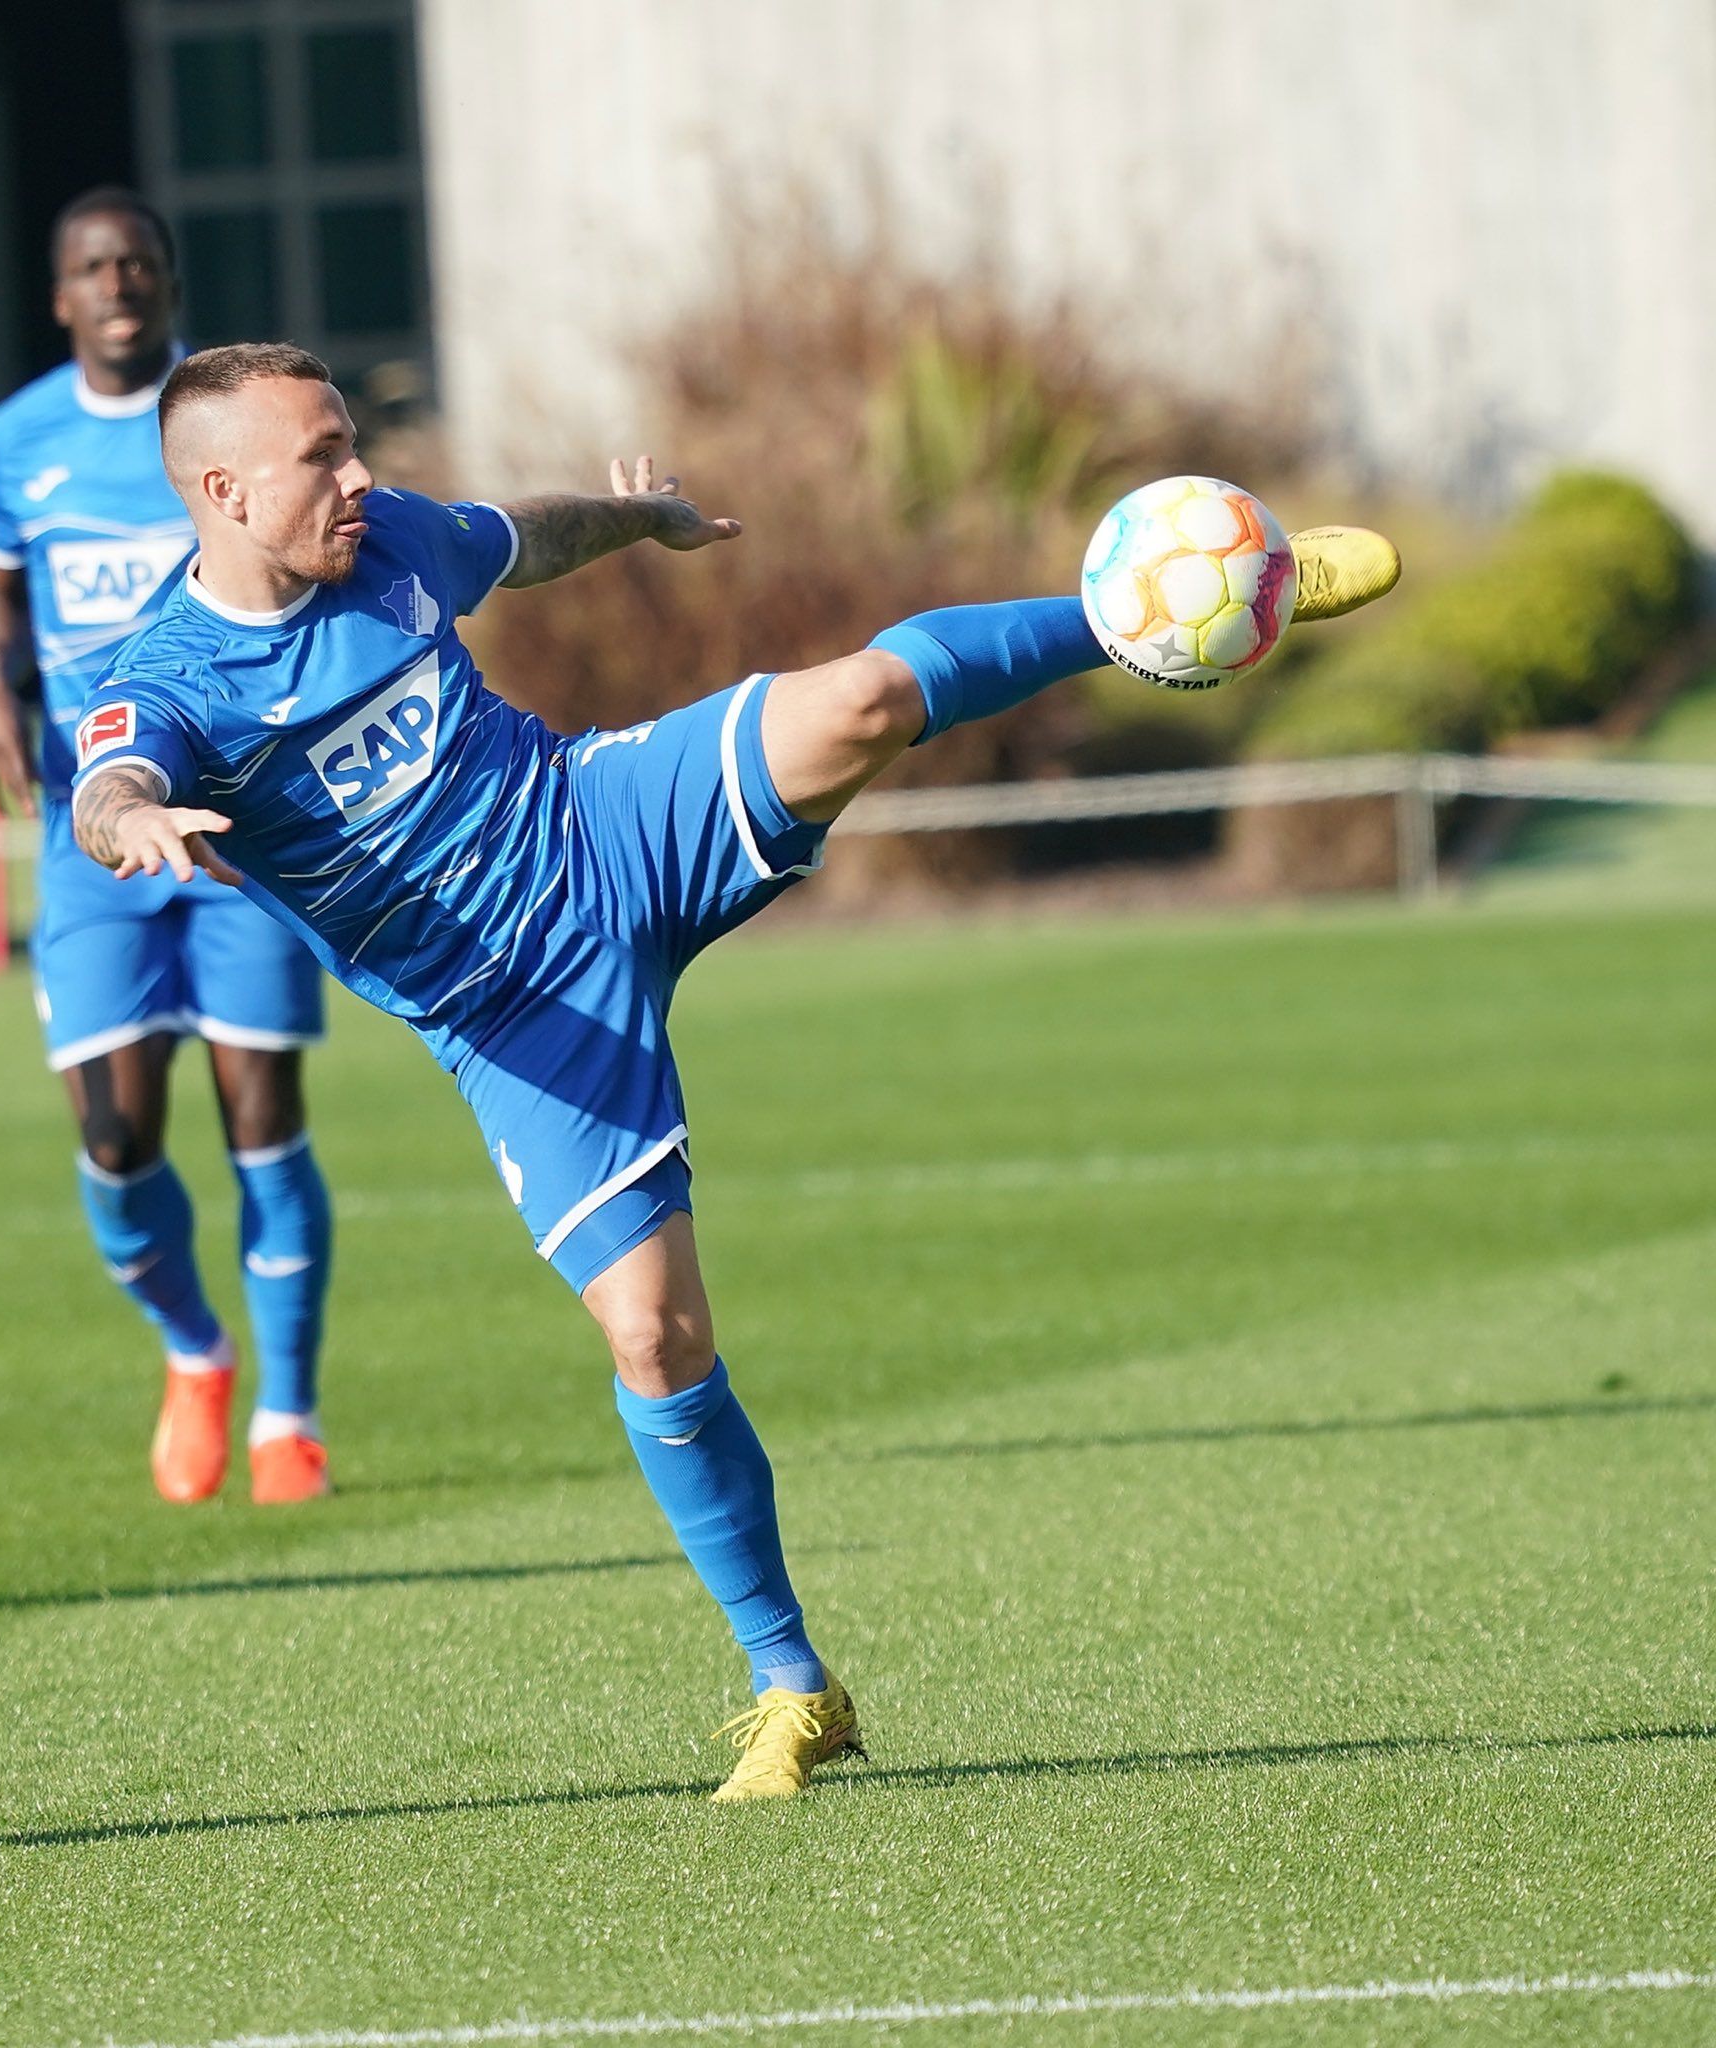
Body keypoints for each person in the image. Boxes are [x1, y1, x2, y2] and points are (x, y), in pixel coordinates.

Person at [70, 343, 1400, 1796]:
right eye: (321, 455)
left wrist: (637, 522)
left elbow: (523, 538)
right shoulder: (170, 679)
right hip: (508, 1013)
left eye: (350, 444)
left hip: (603, 821)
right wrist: (130, 824)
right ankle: (794, 1684)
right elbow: (112, 778)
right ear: (220, 488)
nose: (360, 476)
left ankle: (1177, 599)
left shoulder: (390, 544)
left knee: (864, 697)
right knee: (656, 1340)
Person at [0, 200, 337, 1506]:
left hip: (240, 822)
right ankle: (196, 1351)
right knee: (117, 1138)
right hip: (92, 827)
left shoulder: (227, 424)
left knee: (260, 1113)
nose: (117, 282)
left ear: (170, 279)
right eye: (90, 267)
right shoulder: (11, 445)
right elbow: (2, 597)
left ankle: (287, 1413)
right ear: (58, 295)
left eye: (137, 261)